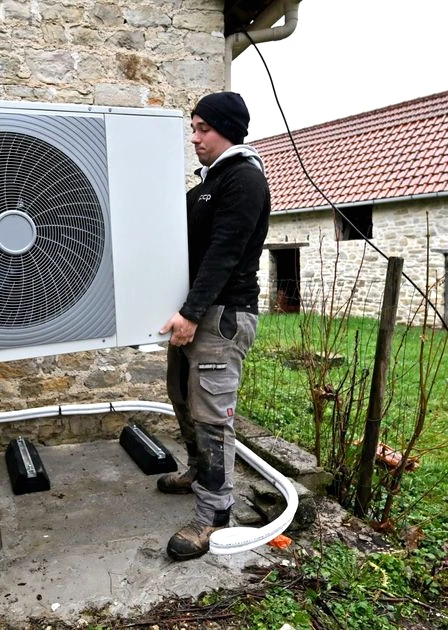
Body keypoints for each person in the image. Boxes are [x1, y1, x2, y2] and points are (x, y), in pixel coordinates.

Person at [158, 92, 271, 560]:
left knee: (211, 418)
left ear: (226, 128)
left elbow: (224, 254)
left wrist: (191, 312)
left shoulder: (243, 180)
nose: (195, 136)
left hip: (220, 317)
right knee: (181, 397)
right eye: (194, 127)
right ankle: (196, 473)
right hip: (198, 313)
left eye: (203, 128)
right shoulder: (208, 183)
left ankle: (213, 516)